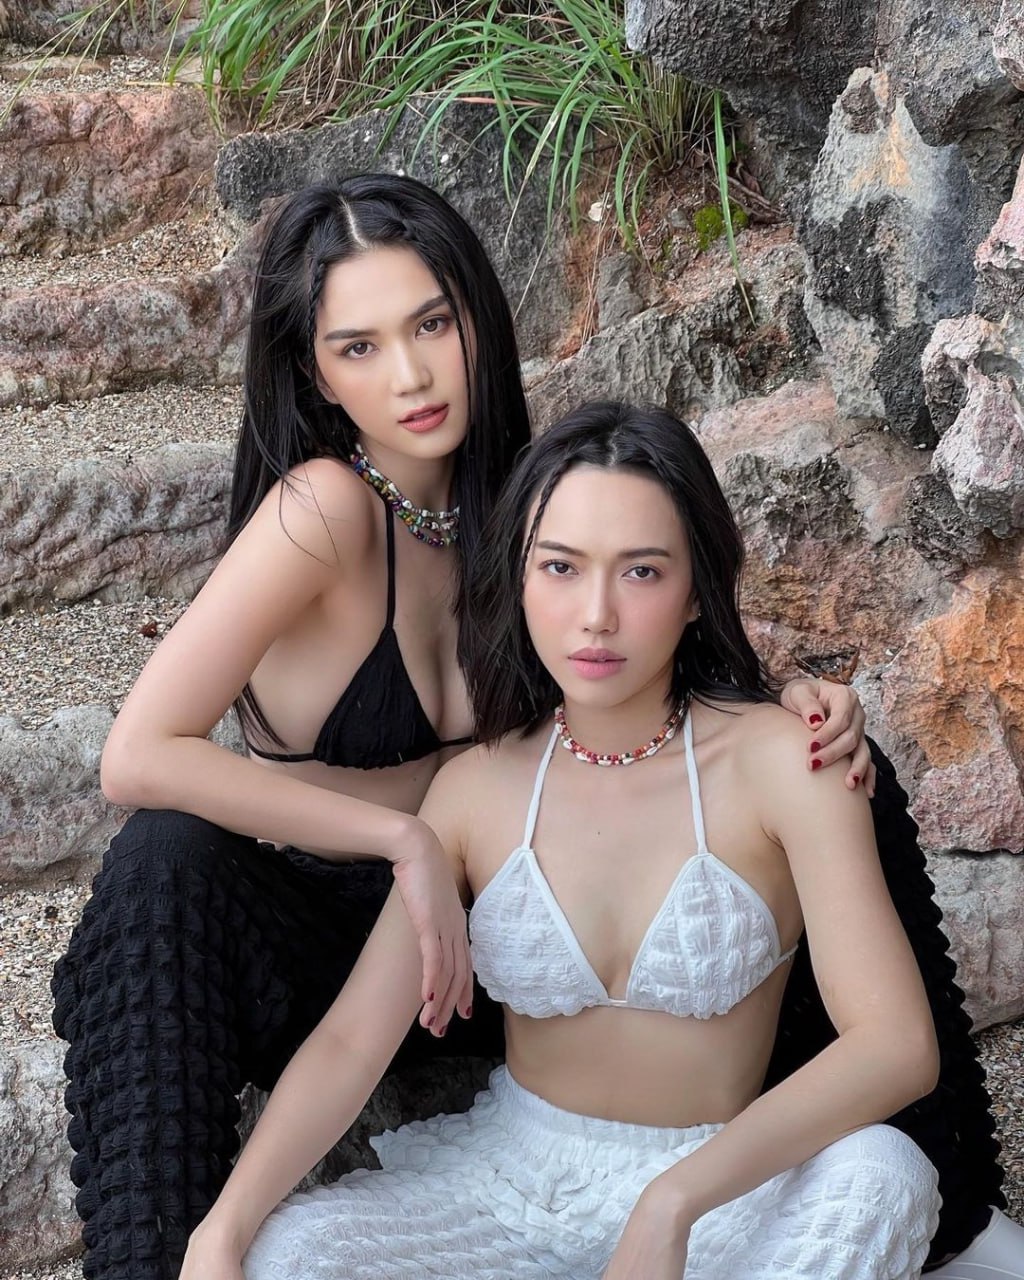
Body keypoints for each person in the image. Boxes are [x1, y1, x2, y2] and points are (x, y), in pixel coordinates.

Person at [50, 178, 866, 1280]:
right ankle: (155, 1259)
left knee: (837, 771)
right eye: (360, 346)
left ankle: (937, 1181)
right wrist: (405, 840)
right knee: (163, 859)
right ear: (315, 373)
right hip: (321, 939)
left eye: (431, 324)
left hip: (497, 953)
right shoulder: (322, 510)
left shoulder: (517, 506)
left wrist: (800, 700)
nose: (411, 375)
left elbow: (652, 645)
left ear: (478, 316)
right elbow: (136, 755)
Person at [177, 399, 963, 1279]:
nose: (596, 615)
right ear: (519, 578)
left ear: (696, 591)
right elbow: (352, 1041)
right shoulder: (474, 787)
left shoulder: (786, 760)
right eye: (560, 567)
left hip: (728, 1193)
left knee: (883, 1175)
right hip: (513, 1192)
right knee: (295, 1250)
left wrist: (672, 1202)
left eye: (641, 572)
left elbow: (896, 1044)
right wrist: (224, 1229)